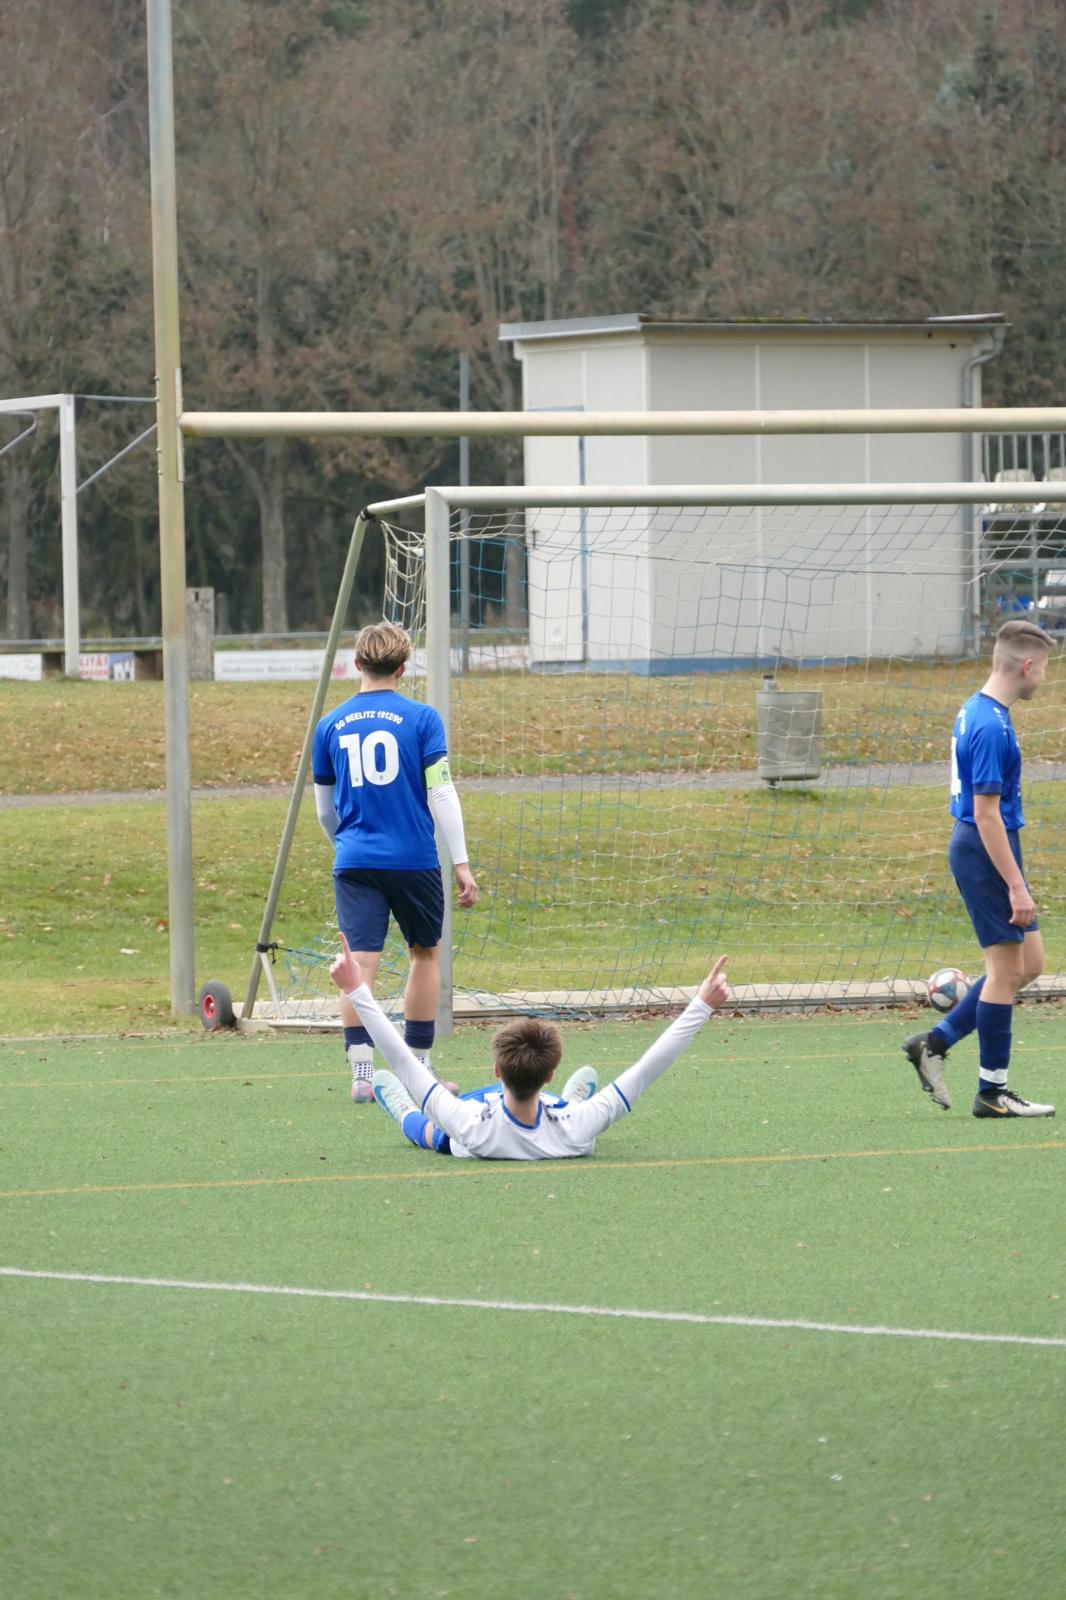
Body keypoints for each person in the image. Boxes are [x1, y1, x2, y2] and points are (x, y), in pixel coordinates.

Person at [329, 932, 730, 1159]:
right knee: (586, 1131)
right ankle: (569, 1097)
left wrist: (355, 989)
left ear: (497, 1070)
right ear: (550, 1072)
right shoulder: (578, 1126)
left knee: (438, 1136)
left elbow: (401, 1060)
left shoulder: (472, 1124)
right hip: (558, 1113)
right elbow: (647, 1069)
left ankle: (401, 1113)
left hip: (474, 1120)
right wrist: (702, 1005)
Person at [312, 621, 478, 1103]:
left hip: (355, 859)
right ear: (404, 668)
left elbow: (325, 809)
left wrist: (342, 845)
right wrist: (462, 863)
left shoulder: (329, 725)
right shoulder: (423, 719)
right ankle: (419, 1073)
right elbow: (441, 791)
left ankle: (361, 1073)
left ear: (357, 663)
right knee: (424, 956)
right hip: (413, 860)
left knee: (358, 962)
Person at [903, 618, 1056, 1118]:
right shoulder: (990, 725)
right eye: (1045, 669)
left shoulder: (980, 709)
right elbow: (986, 812)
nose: (1045, 680)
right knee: (1006, 971)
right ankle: (993, 1092)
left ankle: (936, 1042)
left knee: (1027, 965)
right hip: (984, 847)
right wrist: (1016, 885)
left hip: (991, 845)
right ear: (1027, 666)